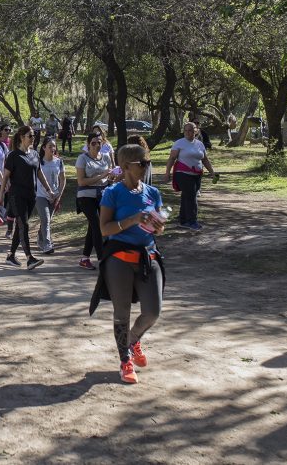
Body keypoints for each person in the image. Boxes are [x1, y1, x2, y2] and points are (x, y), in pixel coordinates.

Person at [89, 144, 167, 384]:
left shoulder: (152, 193)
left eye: (148, 163)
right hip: (119, 259)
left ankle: (132, 341)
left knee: (153, 311)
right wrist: (133, 219)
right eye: (142, 163)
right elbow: (104, 228)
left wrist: (158, 225)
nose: (146, 167)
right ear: (125, 167)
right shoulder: (113, 193)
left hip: (148, 257)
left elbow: (159, 228)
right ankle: (125, 360)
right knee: (121, 313)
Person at [0, 125, 54, 269]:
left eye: (34, 136)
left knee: (20, 226)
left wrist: (49, 190)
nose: (33, 138)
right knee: (24, 225)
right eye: (30, 136)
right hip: (16, 196)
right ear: (22, 138)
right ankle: (30, 258)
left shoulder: (35, 154)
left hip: (31, 196)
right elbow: (5, 177)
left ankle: (11, 255)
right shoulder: (14, 155)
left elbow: (39, 173)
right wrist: (0, 196)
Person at [164, 122, 216, 230]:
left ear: (195, 131)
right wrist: (167, 173)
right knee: (192, 196)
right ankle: (192, 221)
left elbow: (205, 159)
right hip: (182, 174)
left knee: (187, 196)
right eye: (186, 130)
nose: (188, 132)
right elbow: (172, 159)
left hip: (196, 174)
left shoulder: (199, 144)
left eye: (190, 130)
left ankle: (183, 220)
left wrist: (212, 172)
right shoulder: (179, 143)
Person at [77, 132, 115, 270]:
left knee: (93, 227)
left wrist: (113, 177)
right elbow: (81, 181)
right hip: (85, 196)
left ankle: (85, 258)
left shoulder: (105, 157)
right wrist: (102, 175)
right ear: (88, 145)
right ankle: (102, 259)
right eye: (93, 143)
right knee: (98, 225)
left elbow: (108, 179)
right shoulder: (82, 159)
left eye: (99, 142)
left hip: (102, 195)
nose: (97, 145)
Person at [36, 136, 66, 255]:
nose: (53, 148)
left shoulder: (59, 162)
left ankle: (40, 237)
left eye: (54, 146)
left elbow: (63, 180)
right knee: (46, 219)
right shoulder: (39, 162)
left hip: (54, 196)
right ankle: (47, 244)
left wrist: (59, 194)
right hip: (40, 195)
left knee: (46, 221)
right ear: (44, 148)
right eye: (50, 146)